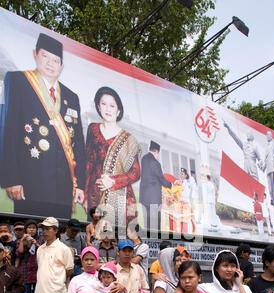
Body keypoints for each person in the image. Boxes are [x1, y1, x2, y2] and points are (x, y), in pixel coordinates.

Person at [0, 33, 86, 219]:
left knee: (59, 236)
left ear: (61, 66)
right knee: (29, 234)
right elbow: (8, 130)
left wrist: (79, 184)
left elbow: (78, 143)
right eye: (45, 56)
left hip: (63, 188)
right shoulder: (18, 81)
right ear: (35, 55)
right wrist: (11, 178)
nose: (50, 63)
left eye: (55, 60)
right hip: (29, 183)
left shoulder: (72, 97)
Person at [85, 86, 141, 229]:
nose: (108, 109)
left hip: (119, 194)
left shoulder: (129, 139)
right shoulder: (93, 129)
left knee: (117, 237)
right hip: (94, 195)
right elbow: (88, 163)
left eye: (112, 105)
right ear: (98, 106)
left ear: (118, 110)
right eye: (103, 104)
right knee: (95, 236)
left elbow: (135, 172)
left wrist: (113, 181)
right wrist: (84, 192)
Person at [139, 140, 172, 233]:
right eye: (159, 154)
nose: (159, 156)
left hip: (144, 198)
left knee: (147, 224)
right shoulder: (155, 163)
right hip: (153, 198)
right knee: (155, 228)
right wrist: (171, 185)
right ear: (157, 151)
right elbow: (161, 179)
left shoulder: (144, 159)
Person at [16, 219, 41, 293]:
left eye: (34, 228)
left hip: (37, 271)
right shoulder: (20, 240)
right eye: (29, 227)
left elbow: (44, 252)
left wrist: (35, 243)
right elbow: (19, 253)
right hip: (25, 271)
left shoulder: (40, 239)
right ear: (26, 229)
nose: (31, 229)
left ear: (37, 230)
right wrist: (23, 240)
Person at [261, 131, 274, 201]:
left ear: (271, 136)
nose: (267, 137)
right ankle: (273, 200)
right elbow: (266, 159)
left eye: (268, 135)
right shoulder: (267, 147)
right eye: (266, 135)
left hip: (273, 168)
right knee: (270, 189)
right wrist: (263, 168)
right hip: (268, 169)